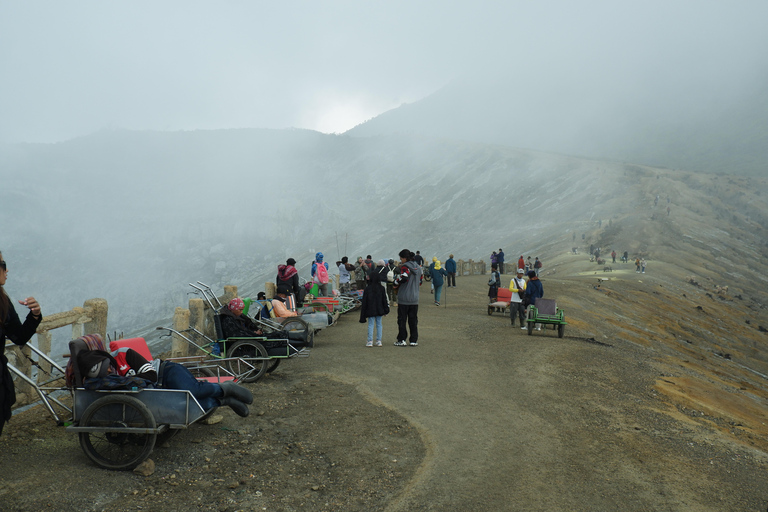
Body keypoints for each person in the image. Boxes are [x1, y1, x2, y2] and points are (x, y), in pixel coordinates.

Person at [77, 347, 254, 417]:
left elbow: (151, 375)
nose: (109, 371)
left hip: (166, 372)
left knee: (194, 391)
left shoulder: (125, 354)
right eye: (104, 373)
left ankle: (227, 388)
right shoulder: (108, 379)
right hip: (155, 390)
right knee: (189, 407)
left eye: (107, 366)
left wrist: (129, 379)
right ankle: (225, 400)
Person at [1, 252, 42, 435]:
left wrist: (34, 315)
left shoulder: (2, 300)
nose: (6, 269)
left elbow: (18, 337)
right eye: (3, 264)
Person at [393, 249, 422, 347]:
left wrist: (396, 282)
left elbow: (404, 277)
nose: (401, 261)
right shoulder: (418, 268)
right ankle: (413, 340)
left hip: (404, 298)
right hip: (414, 298)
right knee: (413, 320)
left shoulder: (405, 267)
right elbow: (420, 282)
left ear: (405, 258)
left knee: (402, 319)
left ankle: (401, 339)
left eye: (401, 258)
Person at [359, 263, 390, 347]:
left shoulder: (367, 289)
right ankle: (379, 340)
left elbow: (364, 301)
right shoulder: (381, 288)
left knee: (371, 324)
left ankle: (370, 341)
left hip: (370, 309)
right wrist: (386, 309)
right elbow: (384, 299)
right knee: (379, 324)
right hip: (380, 309)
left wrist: (363, 313)